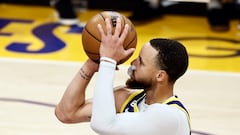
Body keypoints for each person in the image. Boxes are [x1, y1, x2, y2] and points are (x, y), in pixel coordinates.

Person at [55, 17, 191, 135]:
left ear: (160, 76)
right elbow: (66, 114)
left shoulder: (170, 116)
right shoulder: (127, 97)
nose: (133, 63)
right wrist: (90, 65)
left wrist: (107, 61)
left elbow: (103, 125)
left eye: (141, 62)